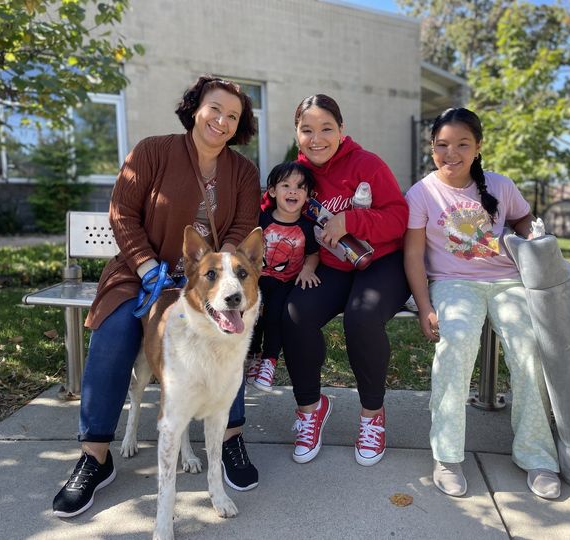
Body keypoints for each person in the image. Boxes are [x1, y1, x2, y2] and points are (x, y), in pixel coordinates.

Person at [52, 75, 262, 518]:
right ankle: (95, 456)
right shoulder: (152, 151)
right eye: (214, 109)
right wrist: (149, 267)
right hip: (140, 271)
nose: (221, 121)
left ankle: (229, 439)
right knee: (114, 330)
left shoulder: (243, 171)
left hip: (206, 277)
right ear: (195, 108)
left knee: (228, 331)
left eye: (233, 116)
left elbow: (244, 231)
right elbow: (122, 212)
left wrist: (214, 273)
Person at [403, 107, 561, 499]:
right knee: (455, 345)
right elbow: (413, 255)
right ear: (431, 147)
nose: (450, 153)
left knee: (529, 349)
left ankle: (537, 455)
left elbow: (525, 221)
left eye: (462, 144)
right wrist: (424, 306)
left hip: (508, 282)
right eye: (442, 145)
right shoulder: (422, 192)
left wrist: (533, 236)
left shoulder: (501, 185)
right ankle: (447, 454)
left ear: (478, 147)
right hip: (454, 285)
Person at [281, 94, 410, 467]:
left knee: (362, 317)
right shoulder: (297, 176)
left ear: (342, 131)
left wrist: (351, 221)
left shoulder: (367, 164)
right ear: (297, 133)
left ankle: (372, 415)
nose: (316, 138)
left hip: (382, 262)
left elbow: (399, 217)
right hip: (332, 266)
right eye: (307, 130)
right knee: (295, 313)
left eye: (326, 129)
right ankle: (311, 407)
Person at [246, 161, 320, 391]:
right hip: (257, 280)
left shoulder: (307, 227)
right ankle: (252, 356)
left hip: (285, 282)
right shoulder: (262, 220)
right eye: (285, 185)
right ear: (272, 191)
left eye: (300, 187)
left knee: (275, 314)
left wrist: (308, 270)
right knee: (253, 314)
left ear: (308, 195)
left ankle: (269, 361)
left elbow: (313, 254)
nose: (292, 191)